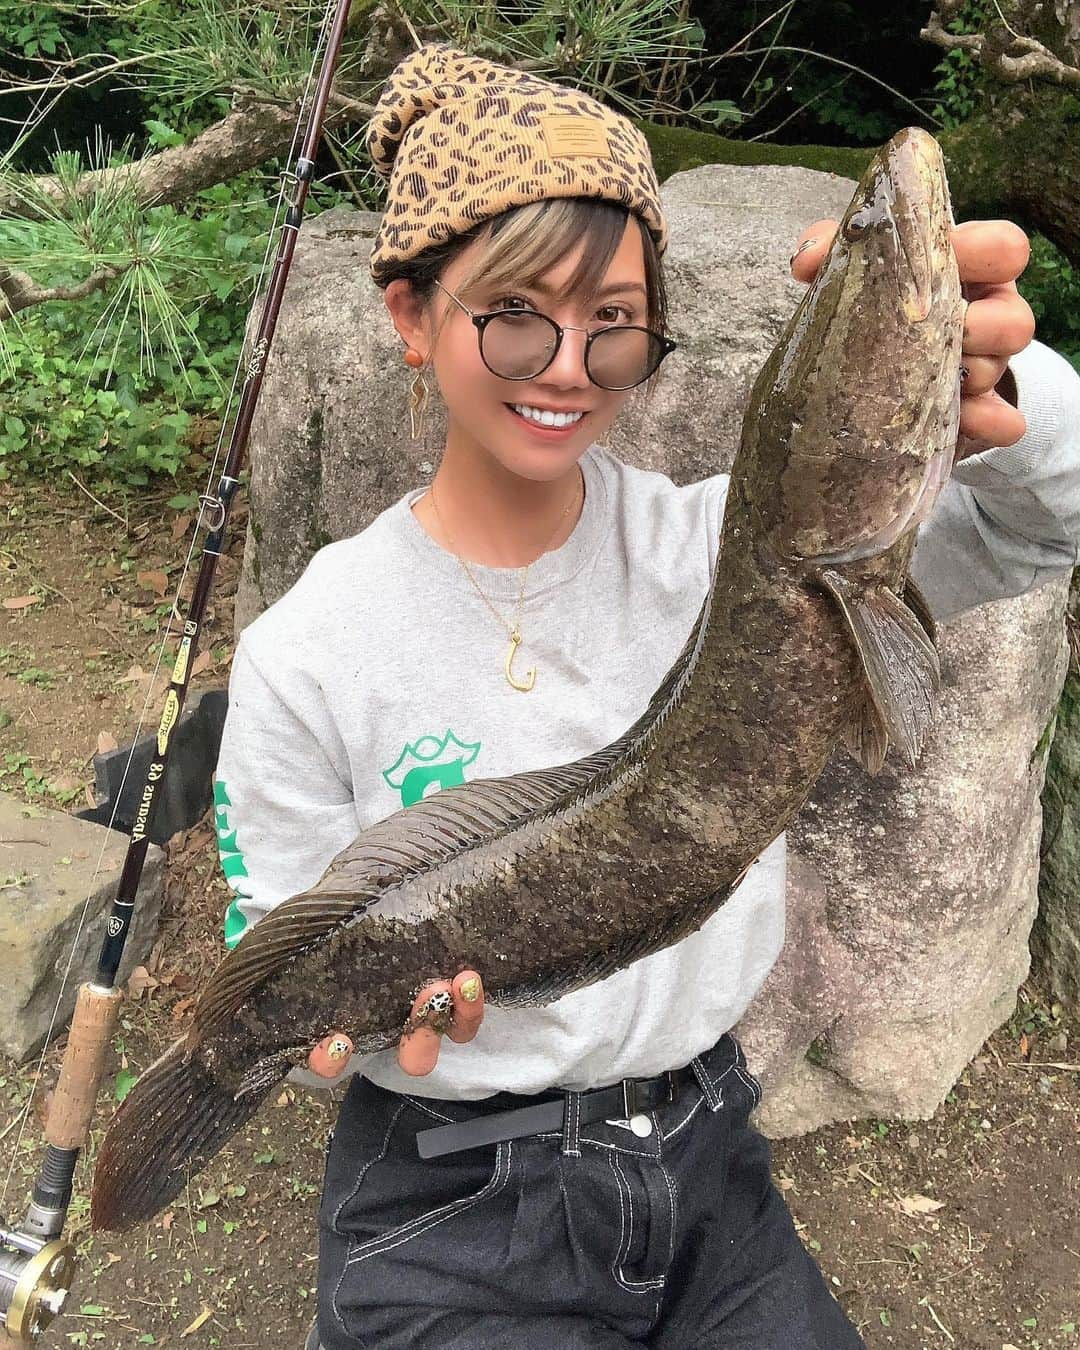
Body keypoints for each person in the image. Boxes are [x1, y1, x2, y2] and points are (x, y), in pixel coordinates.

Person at [211, 43, 1080, 1350]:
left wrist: (1005, 395)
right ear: (410, 314)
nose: (567, 362)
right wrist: (333, 1028)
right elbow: (277, 920)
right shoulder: (303, 649)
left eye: (614, 320)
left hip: (708, 1156)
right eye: (515, 313)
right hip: (447, 1202)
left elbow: (1036, 524)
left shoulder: (730, 549)